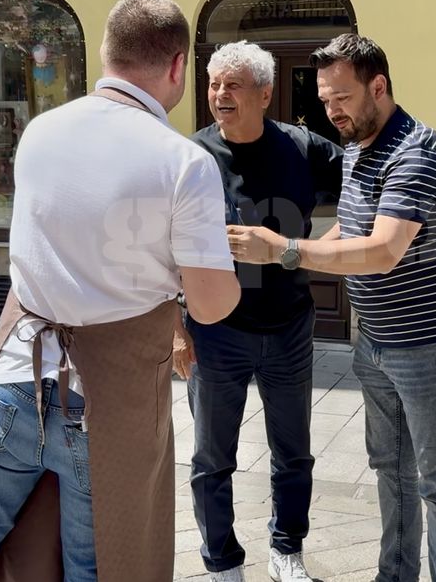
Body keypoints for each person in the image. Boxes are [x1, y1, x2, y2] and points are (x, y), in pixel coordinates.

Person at [0, 0, 241, 582]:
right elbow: (214, 306)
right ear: (177, 66)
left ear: (104, 53)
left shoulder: (41, 131)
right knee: (101, 568)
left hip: (12, 381)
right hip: (104, 404)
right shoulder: (183, 162)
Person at [229, 34, 436, 582]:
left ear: (379, 86)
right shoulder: (355, 147)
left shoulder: (417, 150)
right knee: (391, 469)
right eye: (324, 100)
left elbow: (384, 250)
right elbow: (352, 228)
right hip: (375, 341)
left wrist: (287, 251)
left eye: (342, 97)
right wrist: (287, 253)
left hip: (432, 342)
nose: (332, 110)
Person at [178, 41, 343, 582]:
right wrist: (175, 328)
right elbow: (163, 248)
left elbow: (368, 181)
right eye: (214, 84)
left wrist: (333, 248)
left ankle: (286, 548)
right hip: (215, 331)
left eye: (233, 85)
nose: (220, 95)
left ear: (265, 94)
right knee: (211, 459)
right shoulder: (191, 157)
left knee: (293, 452)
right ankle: (222, 561)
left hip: (290, 325)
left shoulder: (304, 148)